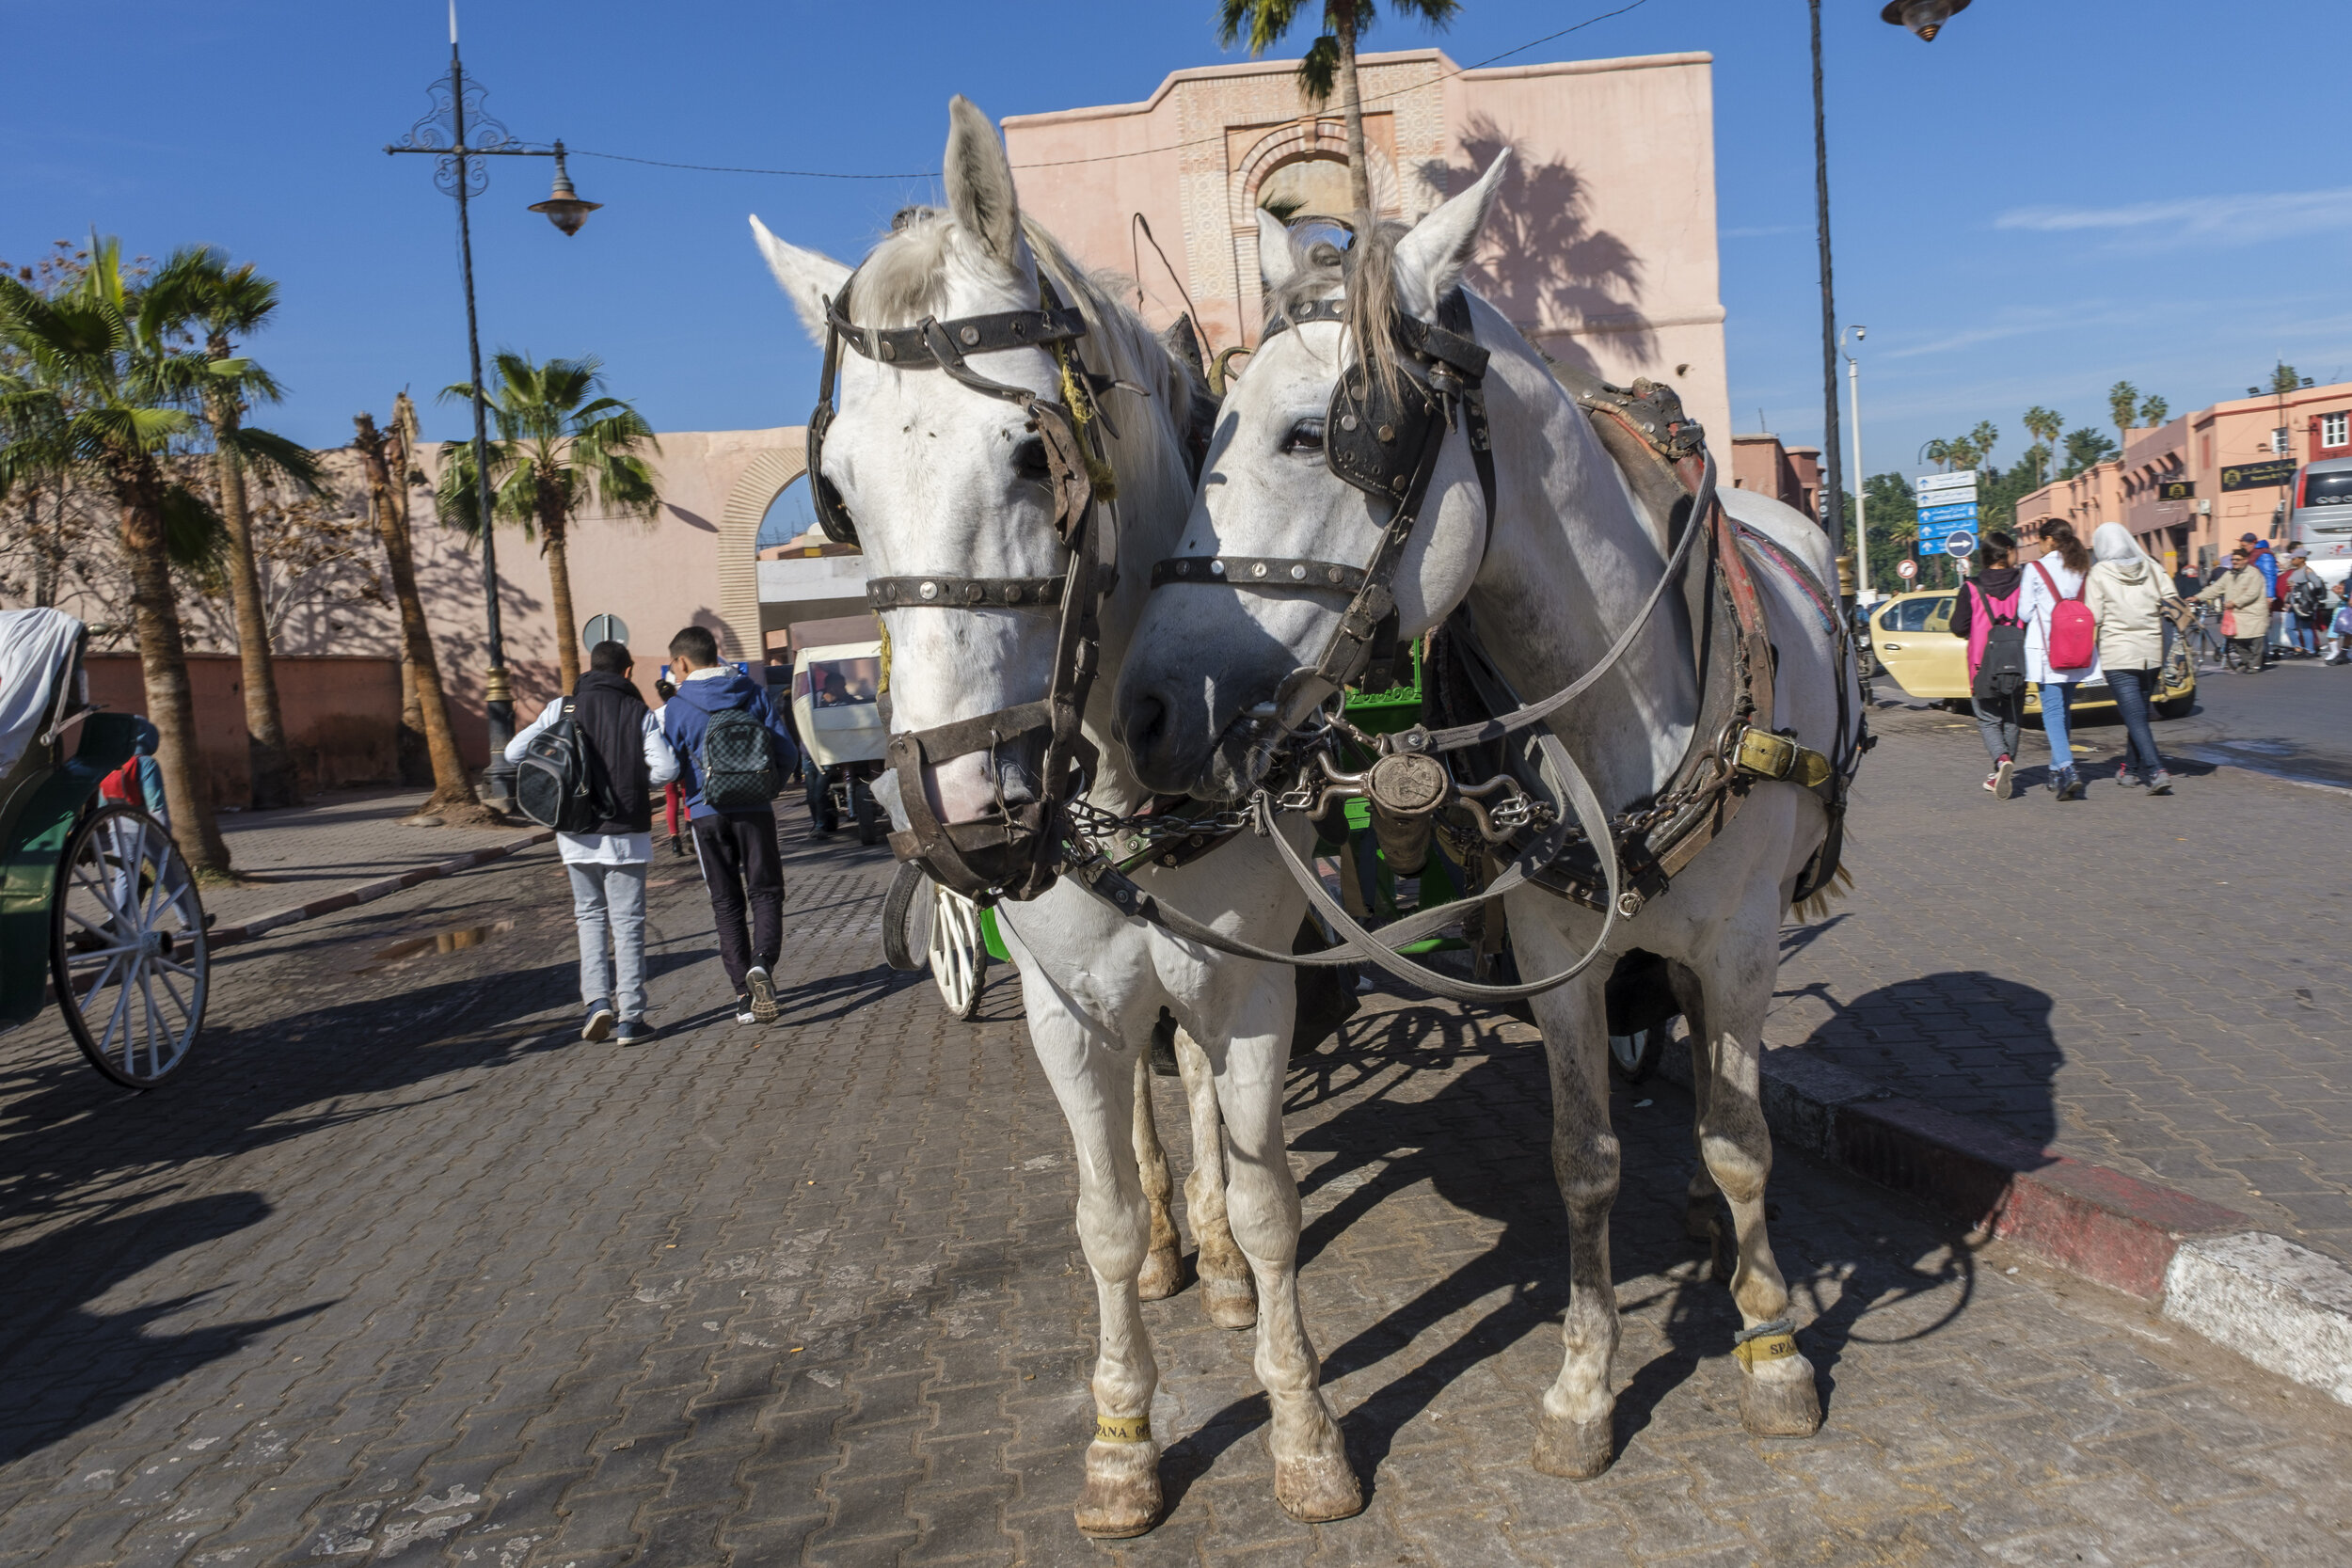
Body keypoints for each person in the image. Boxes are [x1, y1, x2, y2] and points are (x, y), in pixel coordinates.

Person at [504, 640, 678, 1046]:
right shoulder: (639, 712)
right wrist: (635, 783)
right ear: (628, 672)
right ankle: (631, 1019)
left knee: (589, 918)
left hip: (575, 834)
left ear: (590, 667)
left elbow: (514, 752)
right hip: (626, 836)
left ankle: (596, 1002)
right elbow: (667, 770)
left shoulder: (561, 708)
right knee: (629, 925)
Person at [661, 626, 799, 1025]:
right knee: (767, 891)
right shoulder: (753, 692)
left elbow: (670, 767)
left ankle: (742, 994)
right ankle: (762, 964)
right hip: (755, 808)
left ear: (682, 662)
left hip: (706, 813)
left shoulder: (678, 705)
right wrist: (767, 789)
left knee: (726, 902)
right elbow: (785, 750)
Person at [2083, 523, 2182, 795]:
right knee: (2136, 713)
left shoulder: (2099, 573)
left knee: (2135, 716)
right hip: (2151, 652)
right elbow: (2172, 600)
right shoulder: (2151, 566)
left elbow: (2095, 616)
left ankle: (2155, 770)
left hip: (2118, 653)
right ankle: (2129, 769)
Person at [2016, 521, 2102, 800]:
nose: (2038, 546)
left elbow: (2026, 612)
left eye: (2040, 541)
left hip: (2048, 650)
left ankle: (2067, 768)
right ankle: (2055, 771)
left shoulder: (2035, 569)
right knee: (2063, 710)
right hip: (2078, 647)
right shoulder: (2080, 566)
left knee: (2052, 712)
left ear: (2049, 540)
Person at [1946, 530, 2026, 798]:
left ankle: (2002, 762)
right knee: (2012, 718)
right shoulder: (2023, 582)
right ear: (2005, 553)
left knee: (1988, 719)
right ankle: (2002, 768)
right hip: (2017, 660)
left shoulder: (1971, 587)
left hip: (1983, 665)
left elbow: (1958, 627)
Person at [2195, 548, 2272, 673]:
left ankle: (2254, 665)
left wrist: (2235, 603)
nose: (2234, 562)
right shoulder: (2229, 574)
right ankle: (2247, 661)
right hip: (2236, 614)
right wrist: (2198, 597)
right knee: (2236, 640)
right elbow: (2216, 588)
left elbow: (2252, 593)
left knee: (2255, 640)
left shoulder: (2254, 574)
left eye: (2237, 560)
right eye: (2233, 559)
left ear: (2245, 560)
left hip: (2253, 613)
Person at [2285, 553, 2327, 657]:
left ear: (2301, 559)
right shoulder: (2295, 571)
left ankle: (2309, 651)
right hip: (2293, 604)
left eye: (2294, 559)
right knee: (2289, 627)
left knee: (2305, 628)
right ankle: (2298, 648)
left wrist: (2301, 588)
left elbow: (2317, 585)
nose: (2292, 561)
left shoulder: (2308, 571)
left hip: (2304, 605)